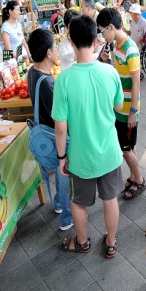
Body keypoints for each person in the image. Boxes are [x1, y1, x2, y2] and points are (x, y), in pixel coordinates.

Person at [53, 14, 123, 257]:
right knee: (110, 198)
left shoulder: (64, 79)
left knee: (78, 201)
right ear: (96, 41)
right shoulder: (110, 72)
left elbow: (60, 127)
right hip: (109, 152)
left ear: (71, 42)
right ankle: (111, 242)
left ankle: (82, 242)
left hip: (81, 156)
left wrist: (62, 157)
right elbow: (118, 107)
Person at [96, 8, 146, 201]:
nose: (102, 35)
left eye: (102, 30)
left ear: (110, 27)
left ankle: (140, 180)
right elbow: (120, 76)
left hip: (128, 110)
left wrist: (133, 111)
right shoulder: (118, 46)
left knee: (125, 149)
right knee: (129, 146)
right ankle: (134, 176)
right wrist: (108, 62)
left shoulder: (130, 48)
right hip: (121, 108)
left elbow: (136, 82)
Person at [27, 29, 73, 231]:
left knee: (59, 175)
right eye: (55, 47)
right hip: (54, 137)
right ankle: (66, 218)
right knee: (65, 174)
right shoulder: (47, 83)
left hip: (43, 132)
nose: (57, 50)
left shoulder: (33, 72)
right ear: (48, 53)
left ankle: (59, 203)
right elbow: (60, 120)